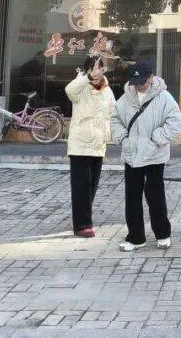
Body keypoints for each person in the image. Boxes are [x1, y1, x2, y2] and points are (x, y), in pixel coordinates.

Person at [111, 62, 181, 251]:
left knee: (155, 196)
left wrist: (156, 139)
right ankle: (136, 237)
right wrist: (123, 139)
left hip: (154, 154)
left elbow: (175, 123)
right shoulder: (125, 97)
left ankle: (163, 234)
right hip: (132, 154)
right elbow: (115, 119)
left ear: (151, 77)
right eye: (135, 82)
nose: (139, 86)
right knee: (132, 198)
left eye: (142, 82)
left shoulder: (164, 97)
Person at [65, 56, 115, 237]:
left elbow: (113, 113)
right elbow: (69, 89)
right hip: (81, 144)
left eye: (101, 68)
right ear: (88, 70)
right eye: (95, 68)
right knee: (81, 187)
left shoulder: (107, 90)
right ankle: (82, 225)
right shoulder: (80, 87)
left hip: (99, 144)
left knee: (92, 185)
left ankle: (82, 216)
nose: (99, 71)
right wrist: (87, 78)